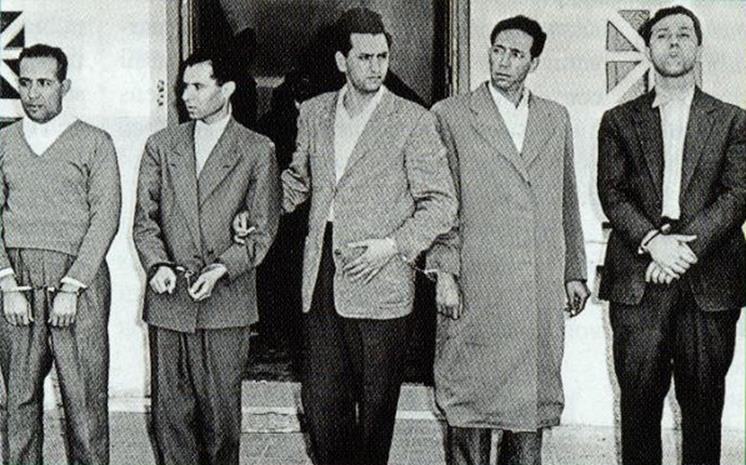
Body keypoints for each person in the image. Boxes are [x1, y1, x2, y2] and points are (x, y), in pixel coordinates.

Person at [276, 8, 456, 465]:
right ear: (342, 61)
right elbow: (298, 182)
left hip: (382, 278)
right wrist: (256, 207)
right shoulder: (314, 112)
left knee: (376, 413)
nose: (377, 67)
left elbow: (441, 203)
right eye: (365, 57)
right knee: (320, 405)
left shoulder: (413, 120)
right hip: (321, 274)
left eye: (382, 57)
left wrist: (393, 246)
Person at [428, 16, 589, 465]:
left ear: (534, 63)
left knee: (528, 413)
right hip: (477, 282)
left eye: (516, 54)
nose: (502, 61)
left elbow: (567, 197)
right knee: (469, 407)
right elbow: (439, 202)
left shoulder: (555, 117)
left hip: (536, 284)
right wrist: (445, 272)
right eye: (497, 50)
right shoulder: (451, 115)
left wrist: (574, 271)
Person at [597, 6, 746, 465]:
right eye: (662, 35)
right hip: (638, 281)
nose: (674, 42)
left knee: (704, 410)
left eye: (684, 34)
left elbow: (737, 195)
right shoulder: (618, 120)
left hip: (710, 283)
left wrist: (682, 251)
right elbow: (612, 193)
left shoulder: (733, 120)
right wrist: (654, 243)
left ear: (698, 48)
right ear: (648, 48)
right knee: (638, 410)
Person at [133, 49, 280, 465]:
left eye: (198, 86)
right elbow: (145, 221)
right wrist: (158, 265)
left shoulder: (257, 150)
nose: (186, 96)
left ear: (227, 89)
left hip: (225, 303)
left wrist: (223, 267)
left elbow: (263, 229)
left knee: (220, 423)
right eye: (184, 87)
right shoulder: (162, 147)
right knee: (170, 421)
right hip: (169, 300)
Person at [0, 43, 121, 465]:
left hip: (79, 282)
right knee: (18, 402)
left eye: (44, 83)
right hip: (17, 283)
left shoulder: (95, 142)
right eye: (25, 83)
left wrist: (73, 286)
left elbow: (106, 216)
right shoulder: (3, 142)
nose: (32, 93)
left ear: (64, 86)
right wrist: (5, 282)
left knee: (85, 404)